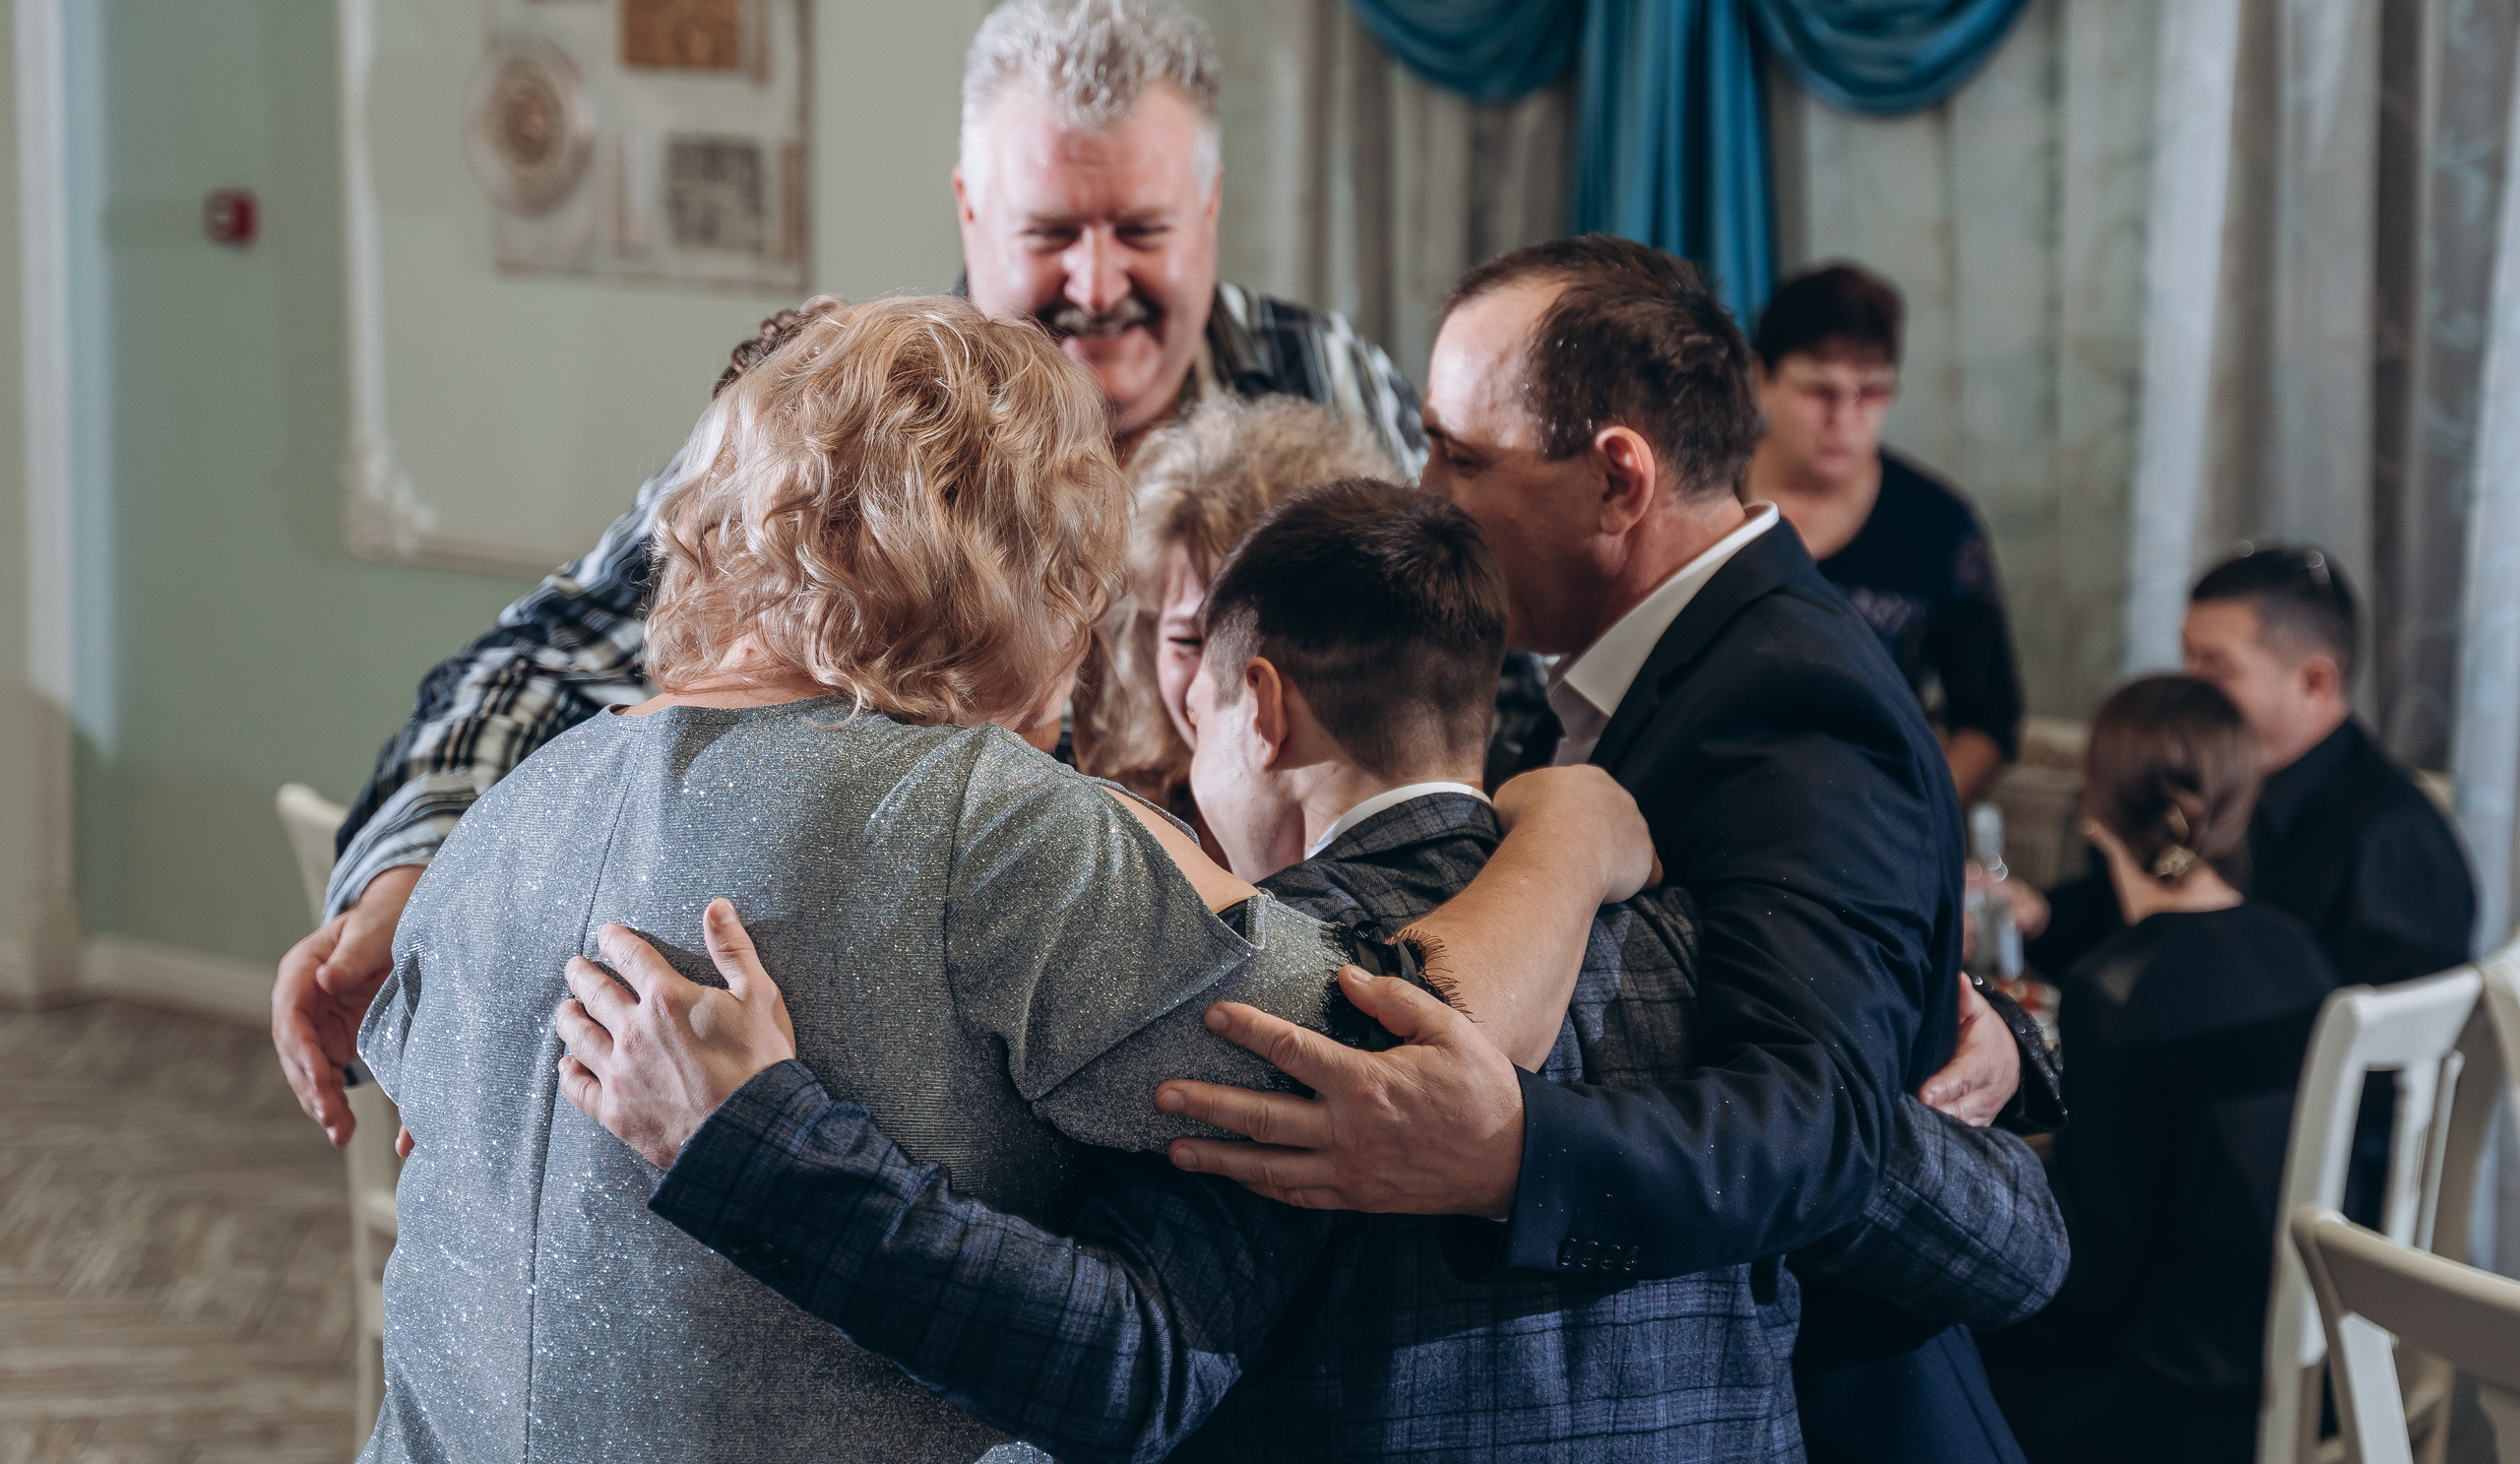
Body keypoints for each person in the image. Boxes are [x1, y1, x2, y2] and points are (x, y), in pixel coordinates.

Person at [358, 298, 1638, 1462]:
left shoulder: (501, 816)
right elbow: (1386, 1044)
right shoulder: (988, 818)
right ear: (1029, 553)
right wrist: (1570, 831)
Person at [553, 478, 2066, 1461]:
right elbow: (2013, 1245)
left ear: (1255, 707)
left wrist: (754, 1143)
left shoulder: (1267, 997)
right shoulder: (1711, 971)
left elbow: (1121, 1367)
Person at [275, 0, 1427, 1150]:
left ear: (1211, 206)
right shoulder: (845, 417)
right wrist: (415, 885)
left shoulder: (1330, 382)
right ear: (970, 210)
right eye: (1048, 234)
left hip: (1231, 1025)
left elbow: (1457, 711)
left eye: (1140, 230)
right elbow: (538, 661)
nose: (1094, 284)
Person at [1147, 236, 2046, 1464]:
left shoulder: (1788, 698)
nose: (1426, 492)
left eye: (1460, 456)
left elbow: (1821, 1125)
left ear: (1617, 481)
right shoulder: (1660, 661)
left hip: (1835, 1411)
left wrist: (1508, 1151)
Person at [1982, 675, 2339, 1464]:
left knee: (1940, 1361)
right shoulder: (2300, 953)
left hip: (2171, 1395)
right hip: (2290, 1364)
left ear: (2097, 809)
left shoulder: (2117, 989)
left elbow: (2096, 1269)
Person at [2021, 545, 2476, 988]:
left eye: (2217, 668)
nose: (2188, 688)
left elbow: (2387, 1046)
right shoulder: (2211, 779)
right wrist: (2037, 915)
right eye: (2188, 658)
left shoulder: (2394, 842)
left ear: (2315, 682)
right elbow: (2125, 910)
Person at [1743, 263, 2025, 803]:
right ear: (1762, 380)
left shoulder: (1938, 524)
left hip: (1874, 820)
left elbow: (1988, 722)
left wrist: (1905, 818)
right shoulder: (1699, 497)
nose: (1845, 418)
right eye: (1818, 390)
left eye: (1871, 392)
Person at [1073, 394, 1401, 828]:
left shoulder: (1401, 827)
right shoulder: (1110, 823)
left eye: (1261, 637)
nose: (1219, 680)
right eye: (1188, 641)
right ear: (1148, 640)